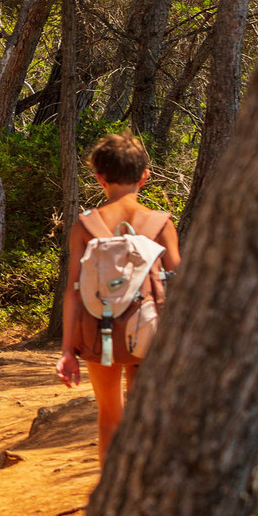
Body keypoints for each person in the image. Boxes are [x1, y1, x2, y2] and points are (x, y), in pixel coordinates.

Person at [57, 130, 180, 462]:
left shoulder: (85, 225)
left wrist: (68, 350)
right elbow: (182, 282)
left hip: (98, 331)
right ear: (144, 176)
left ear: (100, 177)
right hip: (148, 329)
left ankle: (109, 490)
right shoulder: (160, 223)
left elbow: (73, 291)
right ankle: (144, 486)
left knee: (110, 419)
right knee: (145, 417)